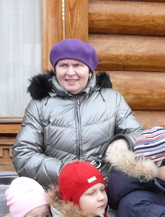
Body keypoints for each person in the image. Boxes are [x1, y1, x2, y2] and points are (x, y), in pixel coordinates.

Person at [12, 38, 142, 186]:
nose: (70, 72)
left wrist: (125, 141)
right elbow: (23, 155)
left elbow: (139, 135)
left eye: (77, 65)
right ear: (56, 69)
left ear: (90, 71)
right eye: (63, 65)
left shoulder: (112, 99)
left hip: (105, 189)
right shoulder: (40, 105)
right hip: (59, 192)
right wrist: (67, 172)